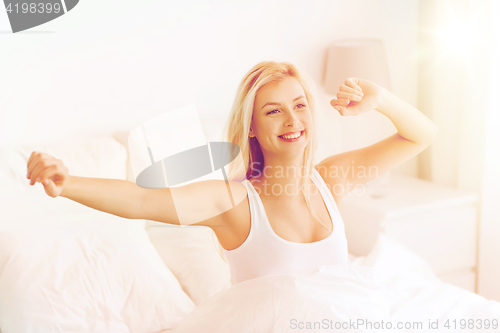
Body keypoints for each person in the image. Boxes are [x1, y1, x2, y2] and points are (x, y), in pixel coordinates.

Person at [26, 61, 437, 286]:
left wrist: (380, 99)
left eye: (299, 105)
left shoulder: (330, 180)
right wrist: (68, 183)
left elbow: (420, 136)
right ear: (253, 127)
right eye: (274, 110)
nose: (292, 120)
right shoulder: (233, 201)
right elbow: (140, 200)